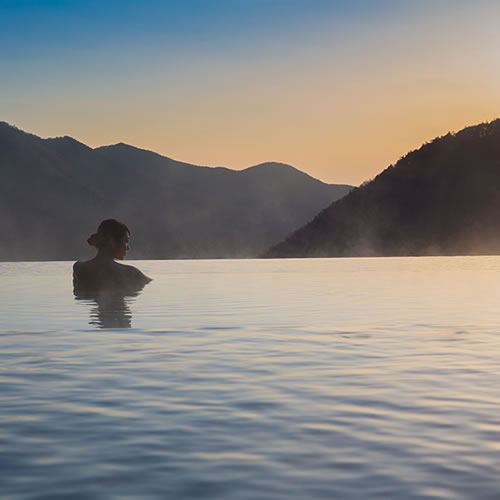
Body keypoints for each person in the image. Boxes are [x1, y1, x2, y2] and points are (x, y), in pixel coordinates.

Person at [73, 219, 152, 293]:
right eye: (126, 241)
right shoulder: (130, 272)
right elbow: (152, 287)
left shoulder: (79, 268)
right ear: (112, 241)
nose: (128, 248)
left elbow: (77, 293)